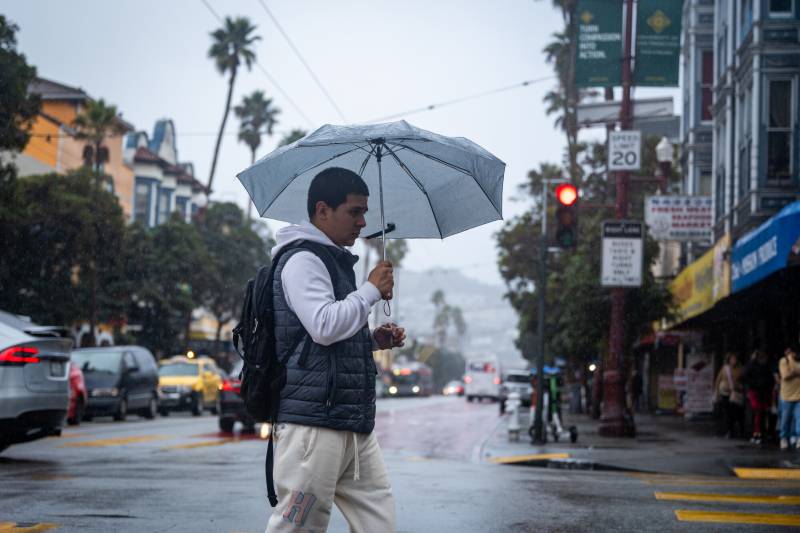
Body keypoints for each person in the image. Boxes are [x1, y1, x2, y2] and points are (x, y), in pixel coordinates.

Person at [265, 167, 405, 532]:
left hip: (351, 422)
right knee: (297, 526)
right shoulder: (303, 260)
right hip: (314, 428)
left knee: (380, 522)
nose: (362, 222)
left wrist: (373, 340)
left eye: (364, 212)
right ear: (323, 210)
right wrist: (371, 290)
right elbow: (324, 327)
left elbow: (329, 337)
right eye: (354, 212)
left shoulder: (333, 260)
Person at [743, 350, 773, 444]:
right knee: (758, 411)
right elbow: (747, 379)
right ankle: (757, 432)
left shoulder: (759, 366)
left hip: (761, 391)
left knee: (760, 412)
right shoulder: (753, 366)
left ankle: (758, 432)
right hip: (756, 391)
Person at [714, 352, 744, 438]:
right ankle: (729, 430)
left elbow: (742, 379)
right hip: (725, 392)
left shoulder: (740, 368)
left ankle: (737, 429)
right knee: (727, 412)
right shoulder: (725, 368)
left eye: (735, 359)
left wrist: (739, 386)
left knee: (736, 412)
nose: (733, 360)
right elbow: (718, 379)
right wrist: (716, 391)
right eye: (731, 359)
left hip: (736, 392)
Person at [778, 343, 800, 451]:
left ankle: (798, 437)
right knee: (785, 419)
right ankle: (783, 438)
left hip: (799, 396)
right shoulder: (784, 361)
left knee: (799, 418)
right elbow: (785, 375)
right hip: (786, 396)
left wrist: (793, 372)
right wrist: (796, 371)